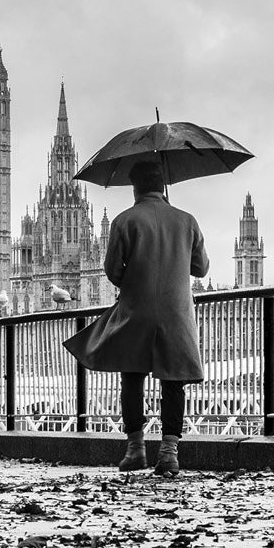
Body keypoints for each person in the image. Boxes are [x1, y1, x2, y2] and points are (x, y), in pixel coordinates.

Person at [64, 160, 207, 476]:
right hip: (177, 314)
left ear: (135, 188)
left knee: (131, 378)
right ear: (162, 185)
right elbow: (201, 268)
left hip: (136, 311)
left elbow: (113, 270)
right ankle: (169, 453)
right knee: (174, 382)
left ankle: (136, 449)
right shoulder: (187, 221)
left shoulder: (124, 221)